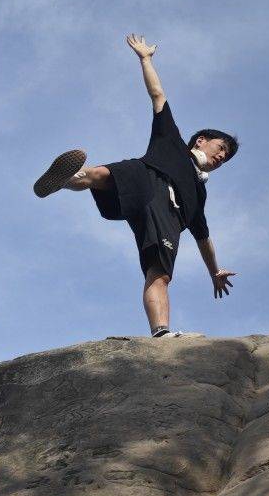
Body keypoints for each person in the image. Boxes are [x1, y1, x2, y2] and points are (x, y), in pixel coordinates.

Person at [32, 34, 239, 337]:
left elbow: (203, 238)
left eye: (226, 158)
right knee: (102, 175)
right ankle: (65, 179)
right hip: (146, 177)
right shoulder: (171, 140)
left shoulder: (199, 193)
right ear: (201, 141)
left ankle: (161, 333)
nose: (222, 157)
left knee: (160, 275)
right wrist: (146, 59)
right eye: (221, 148)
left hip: (166, 216)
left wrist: (214, 272)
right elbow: (158, 95)